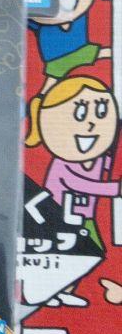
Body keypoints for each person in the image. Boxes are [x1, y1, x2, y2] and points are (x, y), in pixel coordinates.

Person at [26, 76, 121, 306]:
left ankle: (65, 290)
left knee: (89, 254)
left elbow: (106, 166)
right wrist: (115, 188)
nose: (91, 124)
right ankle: (49, 292)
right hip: (56, 219)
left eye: (101, 112)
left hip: (85, 219)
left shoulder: (99, 159)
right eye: (80, 114)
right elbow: (80, 184)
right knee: (64, 256)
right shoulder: (63, 165)